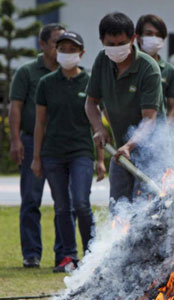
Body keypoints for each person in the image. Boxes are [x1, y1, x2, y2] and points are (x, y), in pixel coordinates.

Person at [31, 31, 105, 272]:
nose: (67, 53)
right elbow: (40, 123)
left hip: (81, 152)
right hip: (53, 153)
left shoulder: (90, 82)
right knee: (62, 206)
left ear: (81, 53)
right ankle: (68, 257)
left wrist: (101, 159)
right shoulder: (47, 83)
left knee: (82, 203)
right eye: (62, 49)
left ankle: (91, 254)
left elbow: (98, 124)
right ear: (55, 51)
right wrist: (36, 158)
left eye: (72, 49)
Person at [85, 12, 164, 210]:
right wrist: (99, 128)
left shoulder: (148, 68)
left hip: (150, 153)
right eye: (110, 44)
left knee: (144, 214)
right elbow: (91, 103)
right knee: (118, 210)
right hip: (121, 153)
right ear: (102, 40)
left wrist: (130, 145)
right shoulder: (102, 61)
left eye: (121, 43)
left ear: (133, 39)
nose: (115, 49)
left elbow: (149, 120)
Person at [8, 23, 66, 268]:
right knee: (31, 199)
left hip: (61, 144)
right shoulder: (27, 72)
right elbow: (16, 107)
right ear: (43, 45)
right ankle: (31, 254)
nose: (61, 49)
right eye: (56, 43)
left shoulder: (69, 72)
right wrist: (15, 140)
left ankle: (63, 253)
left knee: (64, 202)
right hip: (32, 141)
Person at [136, 14, 174, 118]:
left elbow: (172, 106)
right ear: (138, 37)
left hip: (157, 130)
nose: (154, 38)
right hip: (132, 130)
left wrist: (166, 129)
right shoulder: (127, 67)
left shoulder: (169, 70)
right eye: (149, 34)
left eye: (158, 35)